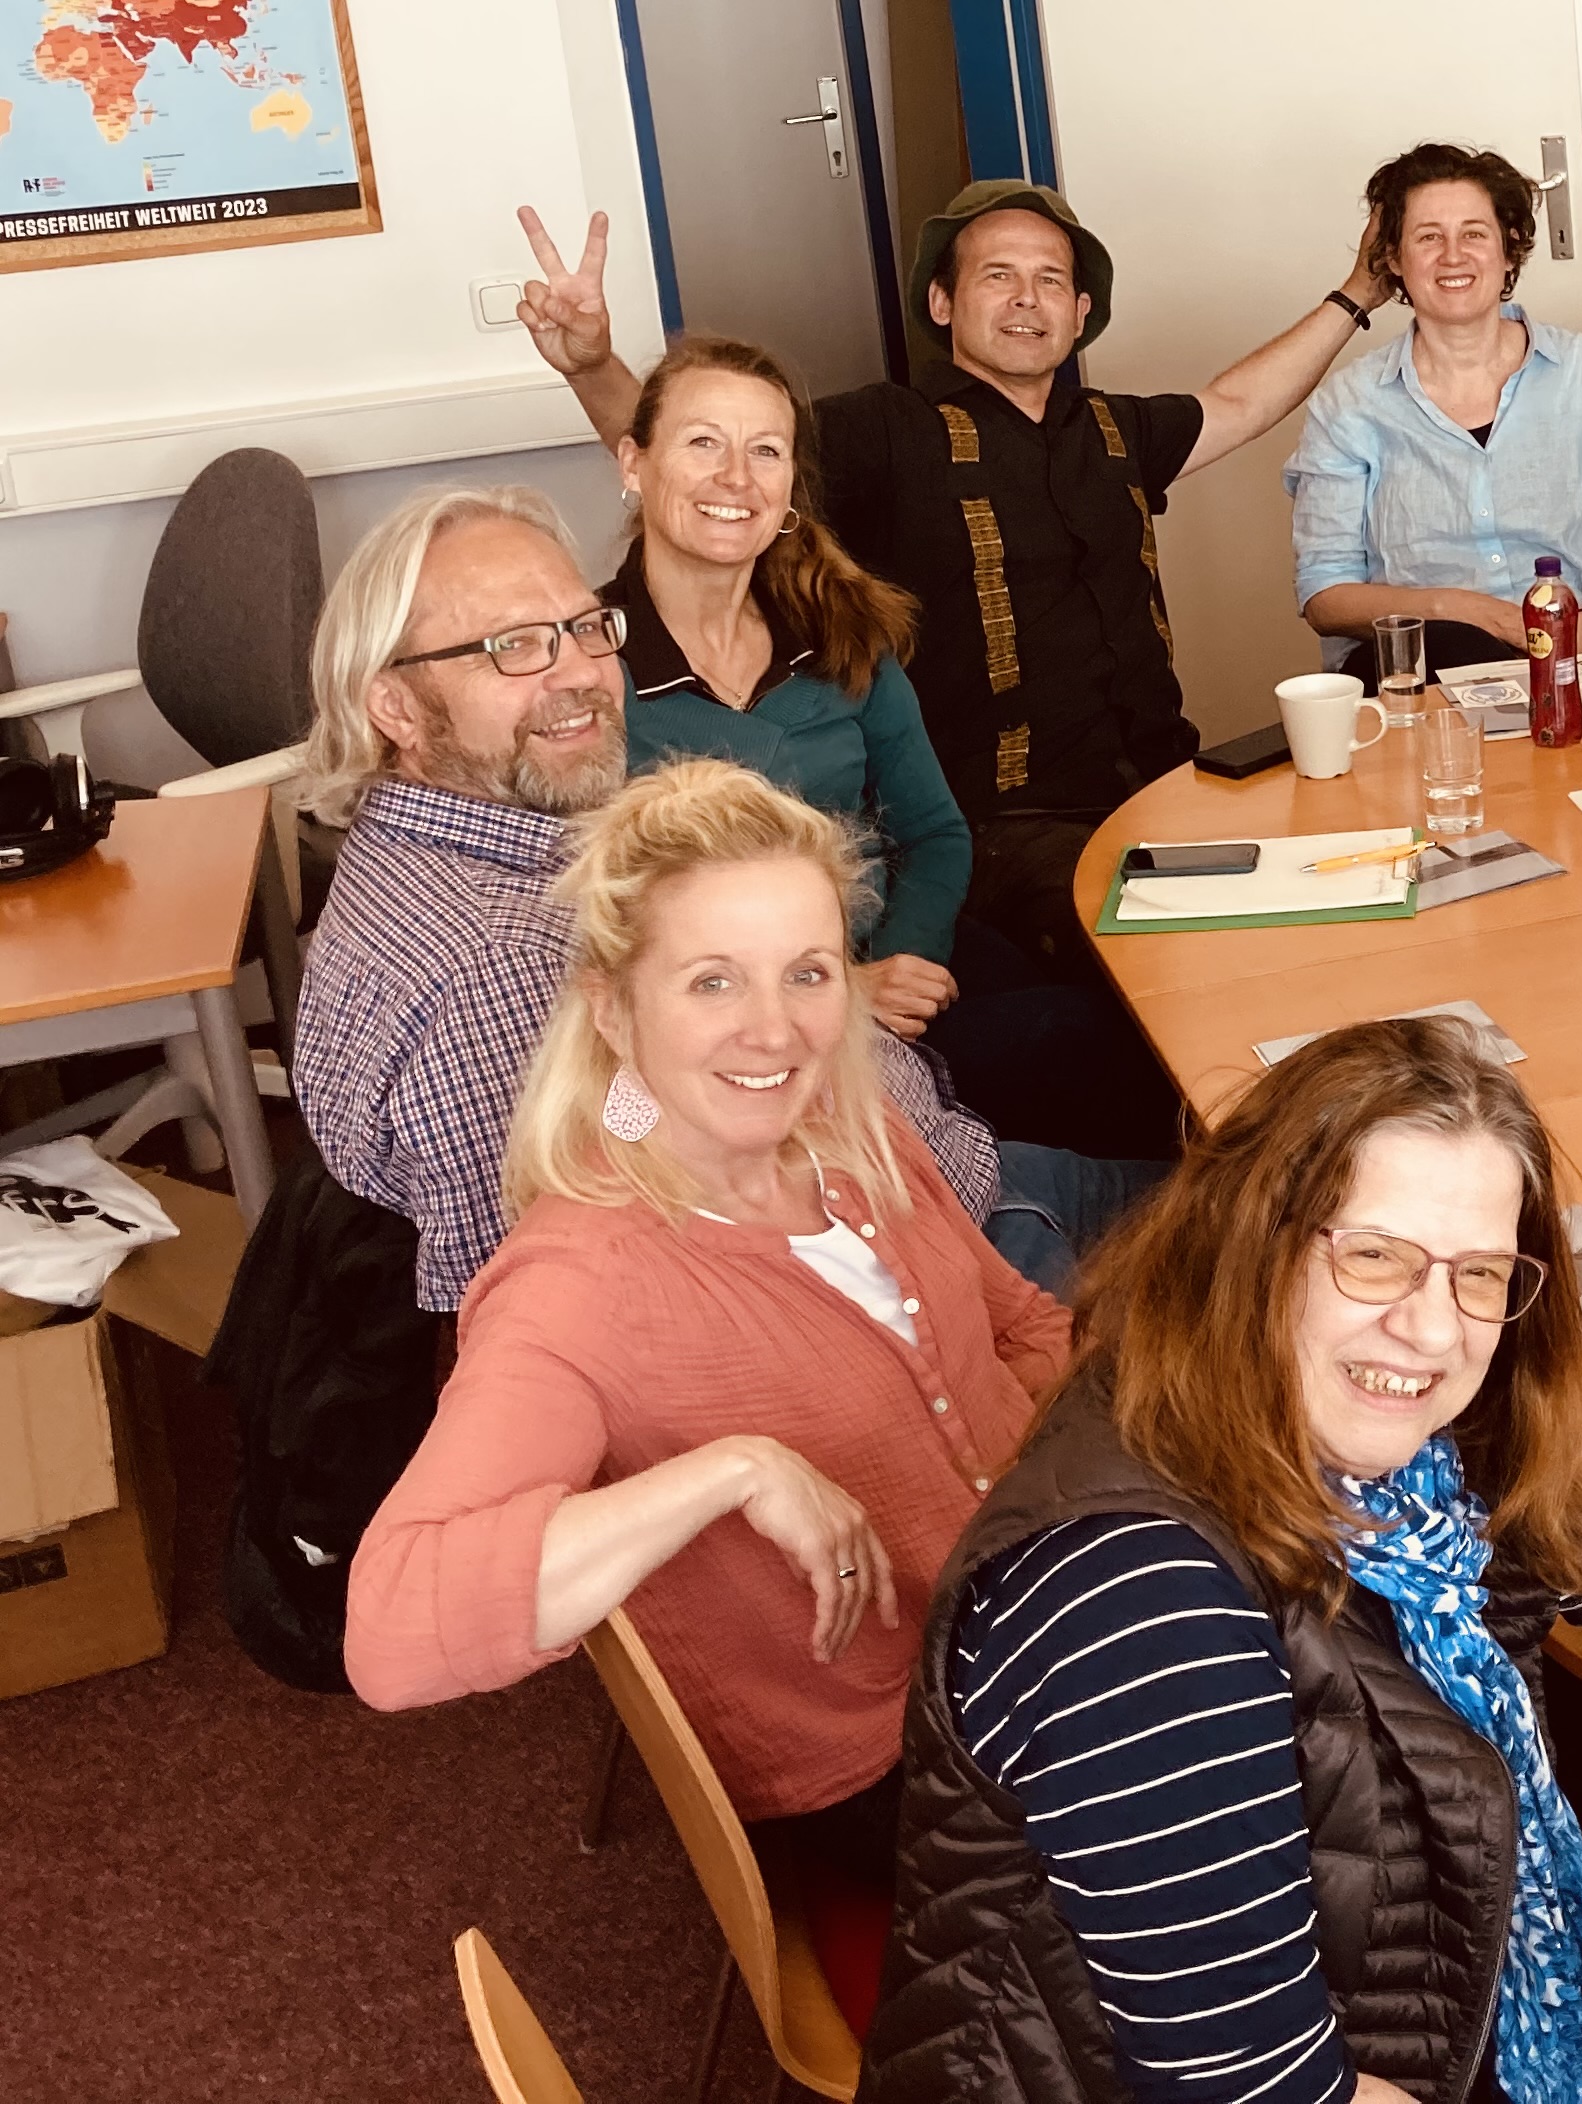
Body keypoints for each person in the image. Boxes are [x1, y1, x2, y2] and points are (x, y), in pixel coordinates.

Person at [866, 1018, 1582, 2104]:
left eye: (1479, 1273)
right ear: (1253, 1241)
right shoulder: (1145, 1607)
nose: (1426, 1329)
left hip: (1423, 2016)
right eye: (1373, 1256)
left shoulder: (1393, 1446)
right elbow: (1258, 2089)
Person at [346, 761, 1069, 1875]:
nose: (776, 1032)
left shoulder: (856, 1140)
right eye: (713, 983)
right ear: (613, 1008)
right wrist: (728, 1471)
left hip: (1033, 1631)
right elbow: (392, 1630)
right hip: (904, 1771)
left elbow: (1021, 1329)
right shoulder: (579, 1285)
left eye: (810, 974)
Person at [288, 487, 1135, 1306]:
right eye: (513, 645)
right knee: (1242, 1239)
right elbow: (568, 1319)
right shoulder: (500, 972)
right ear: (394, 706)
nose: (580, 674)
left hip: (924, 1172)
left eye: (585, 628)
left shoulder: (458, 852)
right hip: (932, 1256)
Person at [513, 184, 1393, 971]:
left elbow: (1241, 404)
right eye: (996, 276)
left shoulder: (1117, 430)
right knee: (1185, 971)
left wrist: (1360, 292)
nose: (1025, 299)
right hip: (1008, 834)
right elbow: (708, 461)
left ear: (1081, 311)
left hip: (1166, 794)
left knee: (1343, 909)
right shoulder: (884, 430)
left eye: (1050, 281)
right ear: (942, 301)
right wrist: (593, 364)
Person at [599, 333, 971, 1039]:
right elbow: (597, 922)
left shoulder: (842, 630)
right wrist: (833, 996)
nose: (736, 478)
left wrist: (901, 969)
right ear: (634, 463)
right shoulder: (583, 670)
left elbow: (935, 835)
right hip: (719, 1038)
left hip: (898, 1005)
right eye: (704, 443)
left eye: (765, 450)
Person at [1287, 141, 1582, 676]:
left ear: (1509, 249)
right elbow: (1325, 594)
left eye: (1474, 233)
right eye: (1429, 237)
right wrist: (1463, 611)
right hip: (1423, 677)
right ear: (1394, 260)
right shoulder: (1348, 406)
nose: (1453, 256)